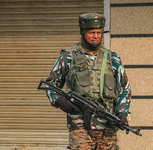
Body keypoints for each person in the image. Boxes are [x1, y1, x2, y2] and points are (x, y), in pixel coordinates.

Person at [45, 13, 131, 150]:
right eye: (91, 32)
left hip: (108, 126)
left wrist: (122, 112)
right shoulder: (68, 56)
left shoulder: (112, 58)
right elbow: (50, 85)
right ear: (83, 33)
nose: (96, 36)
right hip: (80, 126)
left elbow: (124, 89)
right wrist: (59, 101)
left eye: (98, 32)